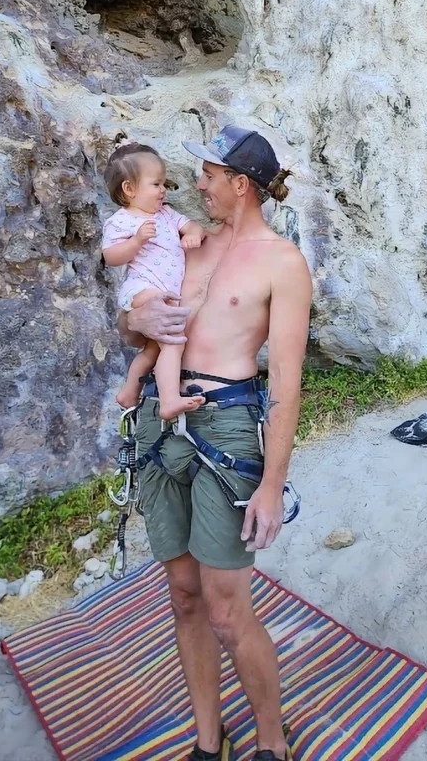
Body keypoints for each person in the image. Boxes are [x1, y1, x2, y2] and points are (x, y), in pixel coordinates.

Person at [119, 125, 312, 761]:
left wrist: (271, 485)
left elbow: (285, 384)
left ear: (241, 184)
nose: (196, 185)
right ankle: (209, 740)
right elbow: (136, 321)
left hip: (227, 425)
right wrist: (133, 318)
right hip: (160, 421)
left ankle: (271, 740)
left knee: (226, 609)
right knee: (183, 595)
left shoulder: (282, 262)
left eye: (207, 175)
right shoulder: (185, 243)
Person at [102, 136, 206, 418]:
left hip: (164, 290)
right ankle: (169, 400)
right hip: (143, 288)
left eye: (164, 184)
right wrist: (136, 241)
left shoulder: (167, 215)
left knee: (152, 350)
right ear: (129, 189)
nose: (163, 190)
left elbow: (193, 225)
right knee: (173, 342)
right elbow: (110, 256)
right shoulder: (122, 220)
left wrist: (193, 234)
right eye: (156, 184)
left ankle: (128, 392)